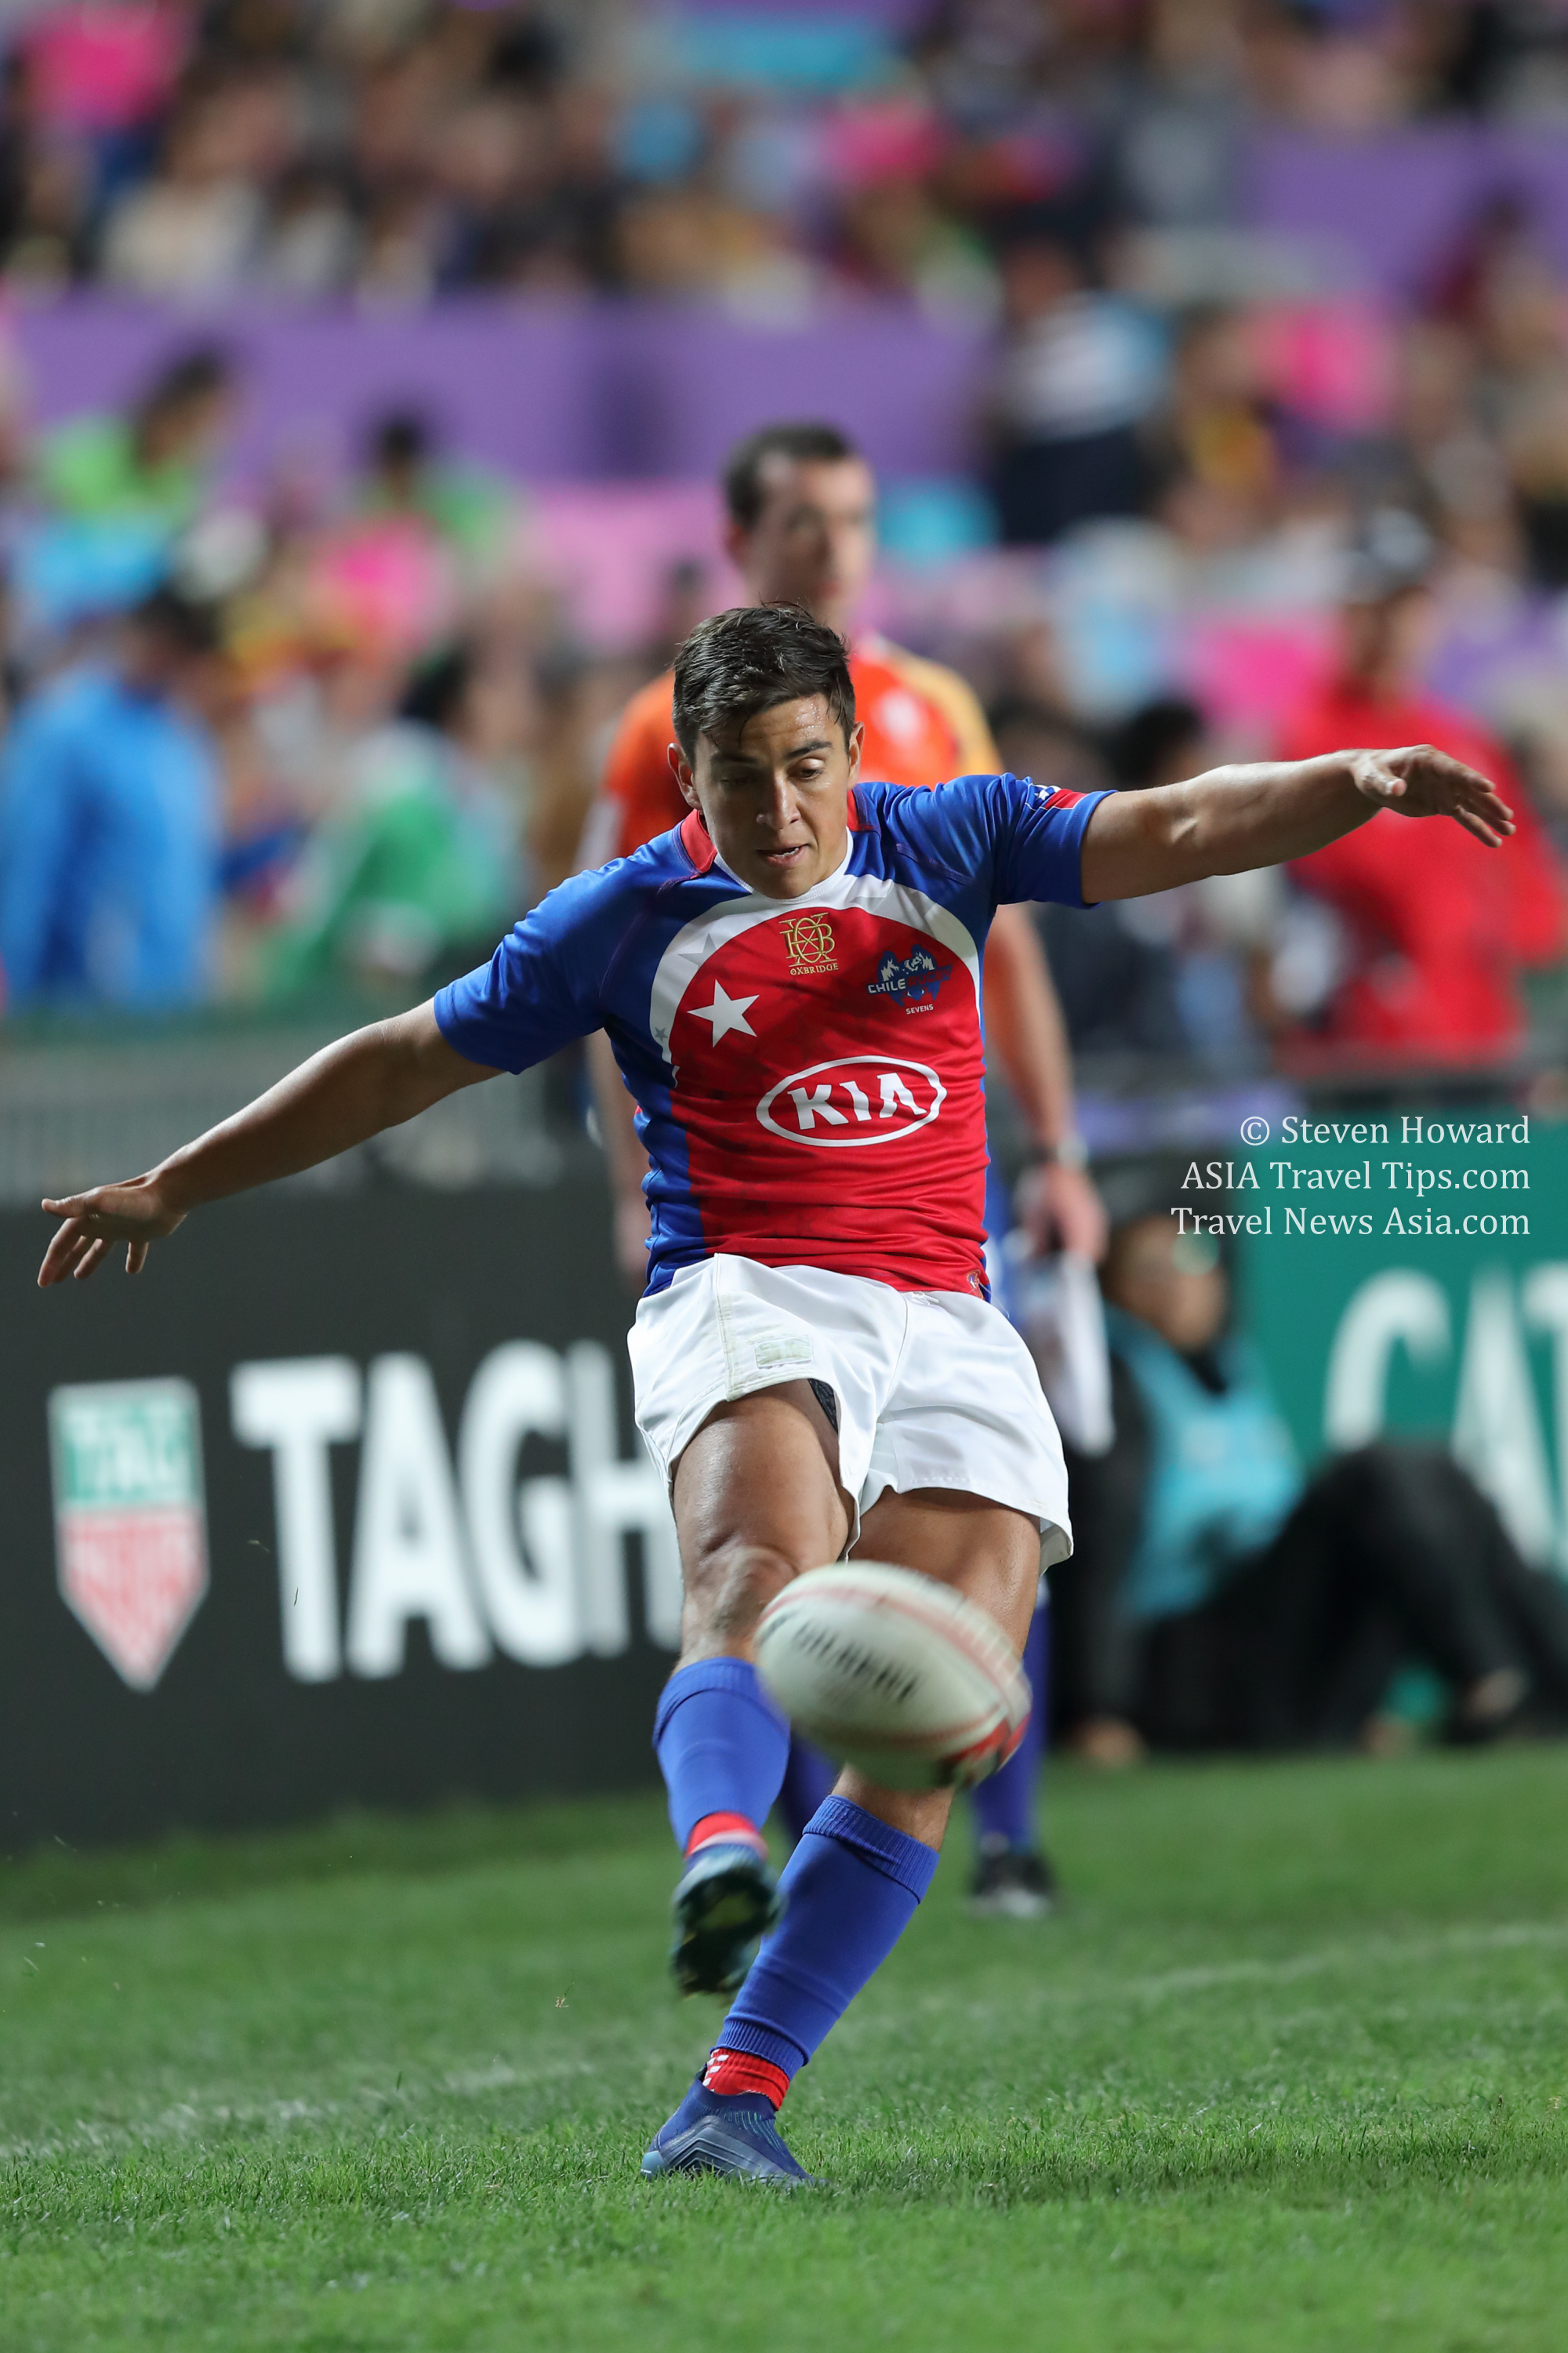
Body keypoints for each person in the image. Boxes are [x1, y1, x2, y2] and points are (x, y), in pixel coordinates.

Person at [37, 604, 1512, 2185]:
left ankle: (735, 2098)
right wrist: (179, 1185)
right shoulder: (616, 918)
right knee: (755, 1569)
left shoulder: (953, 836)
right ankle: (719, 1853)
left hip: (948, 1315)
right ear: (685, 772)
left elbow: (1181, 822)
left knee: (941, 1721)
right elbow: (403, 1057)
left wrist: (1348, 779)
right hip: (745, 1288)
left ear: (853, 750)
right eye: (740, 779)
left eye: (806, 767)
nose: (782, 811)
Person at [584, 418, 1105, 1919]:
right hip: (757, 1195)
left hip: (935, 1164)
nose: (838, 547)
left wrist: (1058, 1146)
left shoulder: (935, 709)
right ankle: (771, 1849)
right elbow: (610, 946)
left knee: (991, 1500)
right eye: (806, 523)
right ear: (745, 538)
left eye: (859, 520)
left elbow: (1006, 937)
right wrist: (631, 1178)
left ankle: (1006, 1838)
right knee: (788, 1546)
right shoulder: (655, 737)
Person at [1051, 1207, 1568, 1757]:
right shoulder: (1111, 1385)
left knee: (1437, 1469)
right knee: (1373, 1474)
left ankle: (1551, 1671)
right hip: (1194, 1668)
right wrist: (1098, 1708)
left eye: (1193, 1257)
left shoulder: (1232, 1366)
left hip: (1281, 1648)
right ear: (1113, 1290)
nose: (1181, 1281)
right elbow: (1096, 1549)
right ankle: (1491, 1683)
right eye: (1151, 1268)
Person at [1276, 524, 1566, 1065]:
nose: (1392, 627)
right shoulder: (1312, 738)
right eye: (1377, 606)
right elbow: (1337, 877)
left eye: (1408, 604)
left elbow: (1532, 889)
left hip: (1485, 1033)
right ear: (1348, 615)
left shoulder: (1463, 738)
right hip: (1365, 1043)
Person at [0, 584, 223, 1009]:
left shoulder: (182, 736)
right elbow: (26, 872)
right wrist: (21, 1003)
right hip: (84, 1012)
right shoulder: (64, 728)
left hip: (172, 1003)